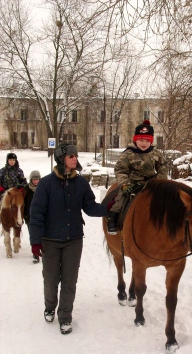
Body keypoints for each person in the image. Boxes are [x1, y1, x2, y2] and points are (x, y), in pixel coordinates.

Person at [29, 143, 110, 335]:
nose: (75, 158)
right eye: (70, 155)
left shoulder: (81, 183)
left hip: (73, 239)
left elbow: (89, 207)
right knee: (50, 279)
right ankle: (50, 306)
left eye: (76, 155)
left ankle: (65, 316)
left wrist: (107, 208)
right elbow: (37, 213)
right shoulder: (47, 184)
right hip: (50, 239)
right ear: (61, 159)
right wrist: (35, 241)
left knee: (69, 280)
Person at [107, 119, 168, 234]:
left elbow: (163, 165)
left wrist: (160, 180)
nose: (144, 143)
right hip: (132, 183)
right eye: (141, 140)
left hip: (152, 183)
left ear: (151, 141)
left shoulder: (156, 153)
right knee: (121, 198)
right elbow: (120, 170)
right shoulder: (128, 154)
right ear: (135, 140)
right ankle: (113, 219)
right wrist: (124, 184)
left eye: (147, 140)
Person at [24, 170, 41, 263]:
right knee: (33, 235)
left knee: (42, 234)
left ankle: (43, 250)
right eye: (34, 179)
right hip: (30, 216)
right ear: (31, 180)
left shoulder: (43, 187)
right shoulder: (27, 189)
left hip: (42, 216)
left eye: (37, 179)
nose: (36, 181)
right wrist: (24, 215)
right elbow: (24, 203)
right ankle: (35, 254)